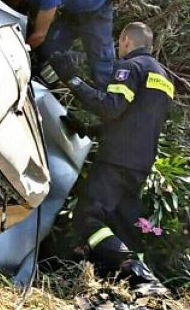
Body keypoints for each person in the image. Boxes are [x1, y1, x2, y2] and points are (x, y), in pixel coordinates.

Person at [48, 22, 174, 293]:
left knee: (87, 218)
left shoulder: (131, 67)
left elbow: (111, 108)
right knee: (123, 225)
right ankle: (142, 287)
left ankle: (135, 271)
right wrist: (91, 130)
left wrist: (72, 79)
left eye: (120, 43)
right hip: (141, 163)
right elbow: (138, 120)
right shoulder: (164, 78)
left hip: (116, 159)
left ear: (126, 40)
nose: (119, 49)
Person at [0, 0, 114, 87]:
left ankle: (106, 97)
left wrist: (16, 53)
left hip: (97, 8)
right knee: (51, 46)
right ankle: (41, 79)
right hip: (73, 11)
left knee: (101, 59)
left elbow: (39, 36)